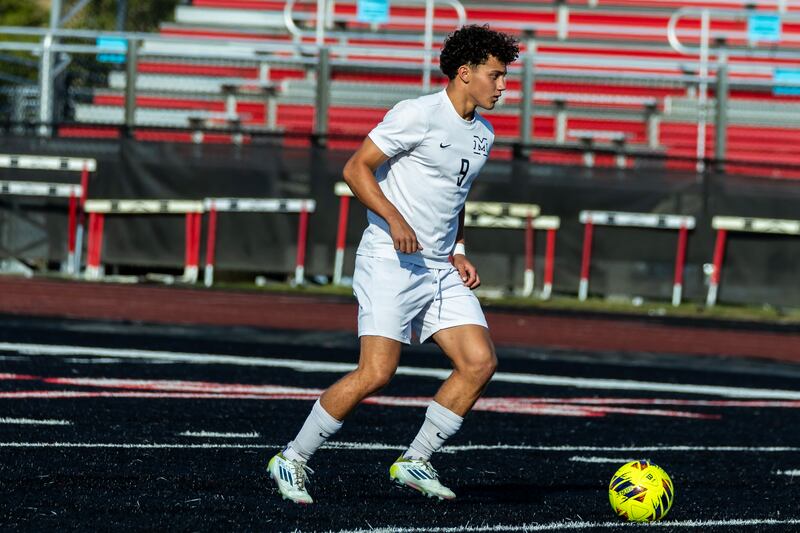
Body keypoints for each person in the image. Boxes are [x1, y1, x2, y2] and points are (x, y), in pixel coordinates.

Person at [268, 24, 519, 504]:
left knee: (479, 362)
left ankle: (414, 460)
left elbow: (454, 198)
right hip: (390, 259)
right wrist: (394, 218)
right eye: (496, 75)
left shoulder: (483, 133)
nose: (503, 85)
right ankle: (291, 458)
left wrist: (459, 250)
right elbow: (355, 168)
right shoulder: (417, 113)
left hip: (440, 267)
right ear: (464, 73)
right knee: (377, 372)